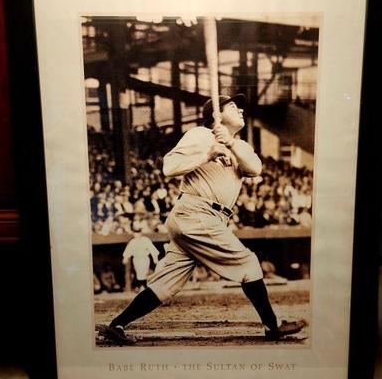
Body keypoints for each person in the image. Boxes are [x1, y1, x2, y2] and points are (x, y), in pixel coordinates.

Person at [101, 94, 305, 345]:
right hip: (196, 212)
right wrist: (207, 155)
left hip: (206, 219)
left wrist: (228, 142)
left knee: (165, 283)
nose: (240, 109)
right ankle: (272, 326)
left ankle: (116, 325)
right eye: (232, 106)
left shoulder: (239, 144)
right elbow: (169, 167)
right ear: (216, 116)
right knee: (249, 262)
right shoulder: (200, 134)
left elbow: (255, 169)